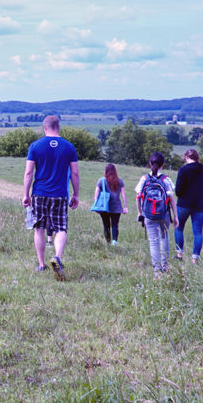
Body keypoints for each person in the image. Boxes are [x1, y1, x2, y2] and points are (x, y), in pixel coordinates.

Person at [22, 115, 79, 280]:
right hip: (60, 194)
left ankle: (41, 265)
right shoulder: (69, 147)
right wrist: (76, 194)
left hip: (39, 193)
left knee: (39, 228)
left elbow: (28, 172)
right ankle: (58, 258)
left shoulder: (35, 146)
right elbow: (74, 172)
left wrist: (26, 194)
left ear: (44, 127)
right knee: (61, 228)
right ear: (58, 127)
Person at [135, 151, 179, 277]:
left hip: (148, 214)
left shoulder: (144, 179)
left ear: (150, 163)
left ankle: (156, 271)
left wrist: (140, 213)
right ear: (163, 165)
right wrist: (175, 217)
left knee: (153, 241)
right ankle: (165, 266)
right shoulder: (166, 180)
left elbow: (138, 197)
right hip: (164, 214)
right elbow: (171, 199)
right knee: (164, 238)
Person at [174, 148, 203, 264]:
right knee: (197, 232)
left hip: (184, 205)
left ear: (186, 157)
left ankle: (179, 254)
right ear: (197, 158)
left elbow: (178, 191)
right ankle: (195, 259)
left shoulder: (183, 170)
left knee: (179, 228)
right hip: (200, 205)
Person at [92, 163, 128, 246]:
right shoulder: (119, 181)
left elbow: (96, 193)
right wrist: (125, 207)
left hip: (104, 207)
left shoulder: (101, 180)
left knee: (106, 225)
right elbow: (123, 194)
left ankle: (108, 243)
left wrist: (97, 206)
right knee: (115, 225)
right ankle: (114, 242)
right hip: (117, 207)